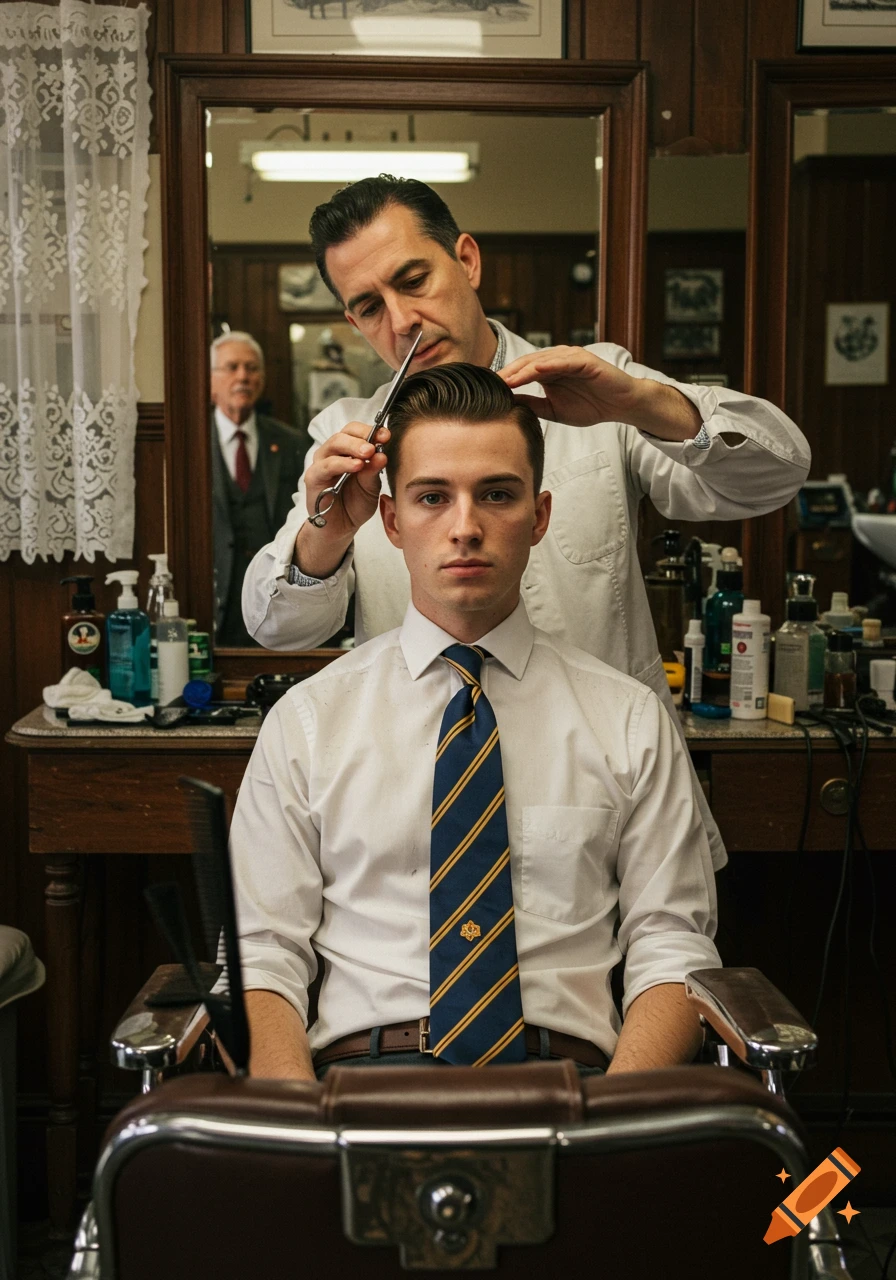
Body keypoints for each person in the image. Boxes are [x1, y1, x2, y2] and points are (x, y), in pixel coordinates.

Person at [239, 177, 811, 871]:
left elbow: (777, 473)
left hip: (616, 799)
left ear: (467, 260)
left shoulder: (599, 389)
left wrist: (639, 403)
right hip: (426, 814)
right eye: (368, 306)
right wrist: (328, 532)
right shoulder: (346, 439)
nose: (402, 320)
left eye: (413, 281)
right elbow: (276, 626)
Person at [230, 364, 721, 1081]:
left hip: (572, 1087)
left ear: (540, 516)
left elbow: (672, 949)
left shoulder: (628, 720)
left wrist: (613, 1117)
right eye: (433, 497)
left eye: (496, 494)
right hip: (361, 1086)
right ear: (392, 522)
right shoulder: (308, 722)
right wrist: (303, 1120)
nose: (465, 528)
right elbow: (262, 954)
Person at [210, 332, 310, 645]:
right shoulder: (192, 441)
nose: (243, 376)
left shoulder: (290, 442)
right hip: (214, 600)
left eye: (252, 368)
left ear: (262, 380)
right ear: (211, 381)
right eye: (232, 367)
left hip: (273, 600)